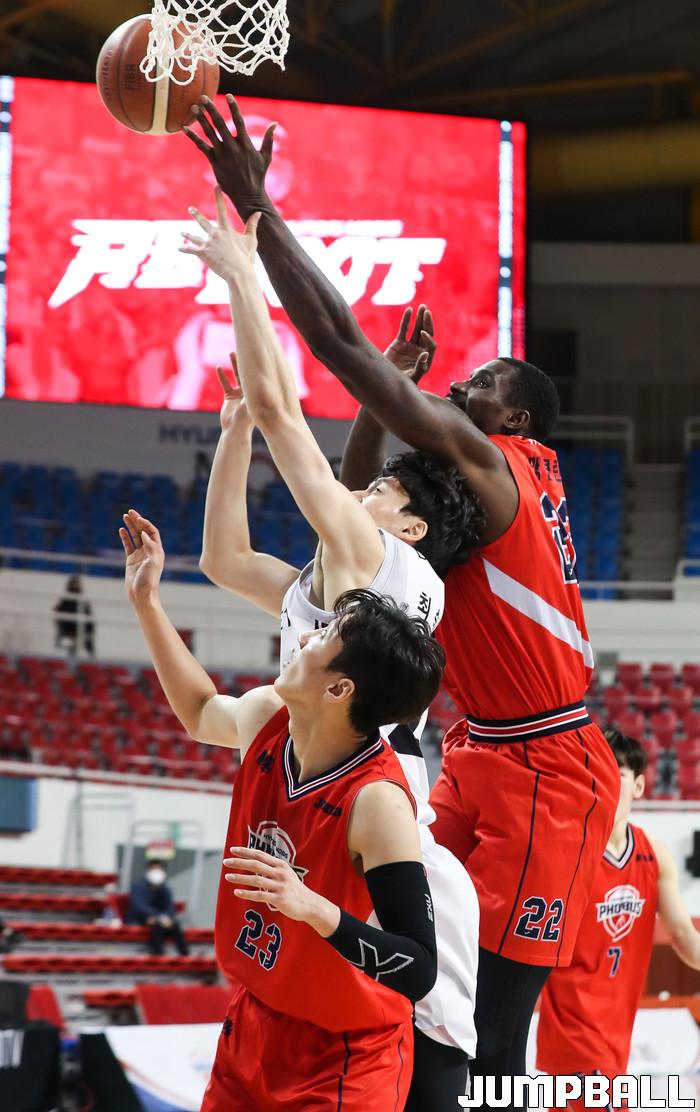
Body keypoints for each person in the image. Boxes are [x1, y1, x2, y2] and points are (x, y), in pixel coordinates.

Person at [183, 97, 621, 1100]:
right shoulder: (442, 517)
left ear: (513, 418)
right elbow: (348, 505)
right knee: (421, 985)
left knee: (485, 1023)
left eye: (476, 386)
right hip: (474, 748)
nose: (454, 392)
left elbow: (338, 357)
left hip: (546, 760)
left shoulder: (489, 466)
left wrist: (257, 221)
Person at [181, 194, 484, 1108]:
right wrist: (234, 430)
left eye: (383, 488)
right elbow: (223, 559)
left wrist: (244, 276)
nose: (363, 489)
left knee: (416, 1035)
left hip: (375, 818)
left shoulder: (379, 562)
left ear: (410, 526)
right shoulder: (336, 583)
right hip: (337, 793)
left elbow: (289, 418)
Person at [119, 505, 444, 1111]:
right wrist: (147, 602)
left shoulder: (377, 802)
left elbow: (419, 968)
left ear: (340, 689)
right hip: (253, 1026)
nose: (304, 637)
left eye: (324, 638)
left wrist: (313, 907)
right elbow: (200, 712)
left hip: (342, 1058)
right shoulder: (267, 716)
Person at [537, 729, 700, 1089]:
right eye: (598, 770)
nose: (607, 780)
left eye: (619, 773)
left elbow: (684, 937)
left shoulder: (655, 854)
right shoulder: (569, 850)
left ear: (639, 786)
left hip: (617, 1040)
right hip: (573, 1037)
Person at [125, 859, 189, 957]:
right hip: (140, 919)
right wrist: (158, 917)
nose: (157, 872)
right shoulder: (138, 886)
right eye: (154, 869)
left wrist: (166, 917)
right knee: (157, 925)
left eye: (160, 869)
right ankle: (158, 955)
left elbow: (170, 907)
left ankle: (185, 955)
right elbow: (139, 906)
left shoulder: (165, 888)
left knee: (174, 925)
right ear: (148, 870)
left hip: (160, 920)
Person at [53, 574, 94, 657]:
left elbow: (90, 621)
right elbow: (59, 620)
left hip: (81, 633)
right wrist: (68, 633)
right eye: (74, 584)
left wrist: (87, 633)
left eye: (77, 584)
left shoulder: (83, 602)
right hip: (67, 632)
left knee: (89, 646)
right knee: (68, 646)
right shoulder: (65, 601)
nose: (76, 586)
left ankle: (90, 659)